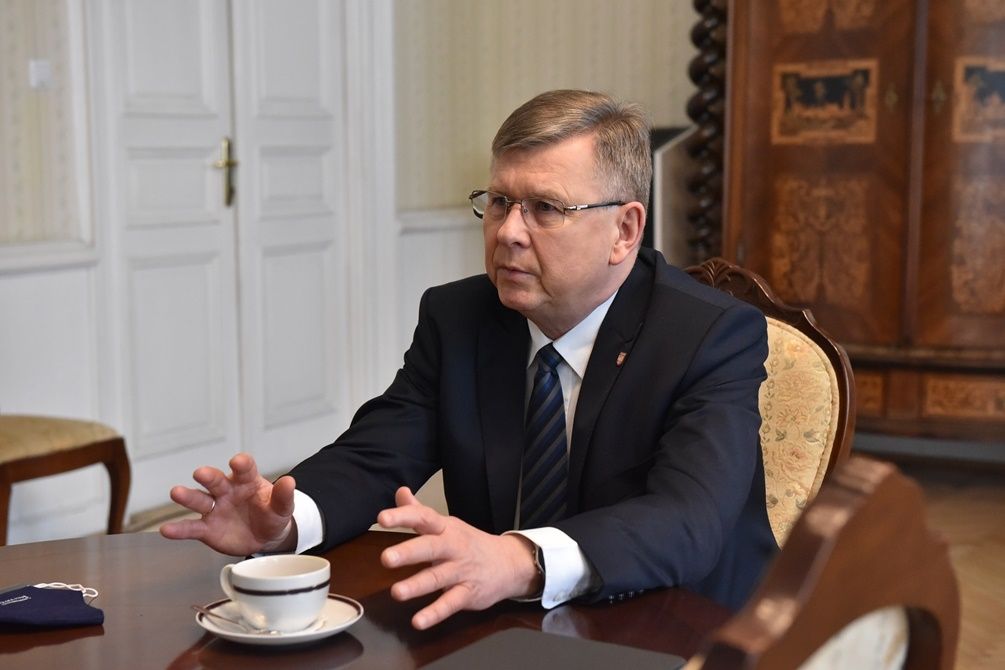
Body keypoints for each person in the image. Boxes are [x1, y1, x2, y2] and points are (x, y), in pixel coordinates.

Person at [162, 89, 777, 630]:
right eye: (501, 201)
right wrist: (287, 519)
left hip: (678, 625)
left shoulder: (708, 335)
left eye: (546, 208)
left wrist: (520, 557)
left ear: (625, 230)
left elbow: (688, 519)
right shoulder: (459, 317)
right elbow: (379, 453)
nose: (508, 231)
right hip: (498, 620)